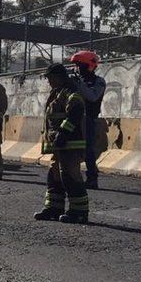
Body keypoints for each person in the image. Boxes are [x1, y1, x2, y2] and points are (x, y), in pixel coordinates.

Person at [34, 63, 89, 224]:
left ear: (58, 77)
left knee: (70, 176)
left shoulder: (71, 92)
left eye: (50, 78)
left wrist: (64, 133)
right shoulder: (57, 93)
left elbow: (76, 112)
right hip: (59, 145)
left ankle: (79, 212)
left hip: (70, 143)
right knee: (54, 176)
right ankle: (54, 208)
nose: (48, 81)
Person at [71, 50, 106, 189]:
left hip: (89, 120)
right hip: (75, 119)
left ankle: (92, 177)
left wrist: (79, 84)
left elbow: (92, 96)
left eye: (81, 65)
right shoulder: (78, 80)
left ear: (89, 66)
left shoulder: (98, 81)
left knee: (89, 151)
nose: (78, 68)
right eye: (77, 66)